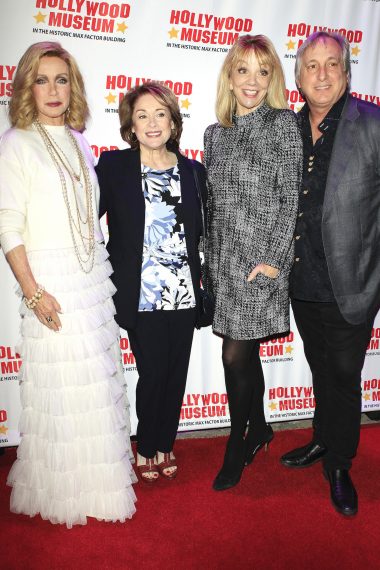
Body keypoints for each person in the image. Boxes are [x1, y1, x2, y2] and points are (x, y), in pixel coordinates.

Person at [0, 42, 137, 527]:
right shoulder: (15, 143)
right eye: (42, 80)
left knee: (97, 387)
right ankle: (63, 492)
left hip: (90, 275)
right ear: (26, 88)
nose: (53, 90)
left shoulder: (79, 139)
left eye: (62, 79)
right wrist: (33, 292)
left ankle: (98, 488)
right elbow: (9, 226)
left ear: (72, 86)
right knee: (61, 386)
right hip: (50, 280)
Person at [280, 31, 380, 517]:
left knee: (343, 373)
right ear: (298, 76)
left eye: (331, 65)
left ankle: (339, 463)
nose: (321, 74)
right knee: (322, 368)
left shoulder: (372, 124)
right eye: (311, 65)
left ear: (346, 72)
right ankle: (323, 439)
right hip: (302, 284)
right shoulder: (287, 130)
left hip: (353, 284)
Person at [204, 34, 302, 491]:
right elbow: (212, 206)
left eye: (263, 71)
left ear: (273, 79)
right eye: (243, 69)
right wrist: (208, 265)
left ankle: (235, 445)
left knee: (234, 354)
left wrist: (274, 262)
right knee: (245, 358)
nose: (253, 80)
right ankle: (260, 428)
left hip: (260, 267)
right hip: (224, 266)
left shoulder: (283, 125)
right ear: (229, 75)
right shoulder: (213, 134)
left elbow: (291, 201)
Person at [96, 82, 206, 483]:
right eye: (142, 115)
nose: (152, 122)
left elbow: (204, 232)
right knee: (153, 372)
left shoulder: (193, 171)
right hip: (140, 294)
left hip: (183, 293)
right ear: (131, 126)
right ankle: (146, 445)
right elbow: (86, 219)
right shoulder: (114, 168)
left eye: (160, 113)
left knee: (176, 374)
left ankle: (166, 443)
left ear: (174, 121)